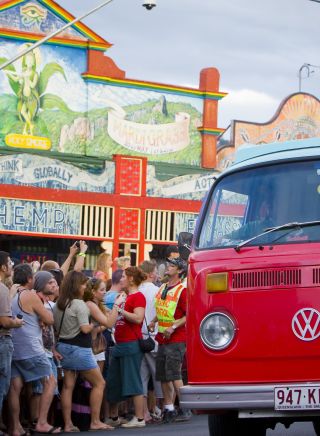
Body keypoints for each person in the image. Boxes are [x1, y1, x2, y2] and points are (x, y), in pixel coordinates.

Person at [53, 271, 113, 432]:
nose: (85, 287)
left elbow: (55, 328)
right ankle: (95, 421)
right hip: (79, 348)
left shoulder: (60, 302)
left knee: (68, 386)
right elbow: (85, 329)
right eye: (83, 284)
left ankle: (67, 424)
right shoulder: (79, 304)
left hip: (63, 346)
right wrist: (95, 325)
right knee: (99, 383)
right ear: (76, 286)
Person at [9, 263, 60, 435]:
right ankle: (42, 422)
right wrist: (43, 317)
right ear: (30, 279)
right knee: (50, 381)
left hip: (15, 348)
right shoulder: (30, 295)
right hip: (31, 347)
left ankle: (15, 426)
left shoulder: (13, 295)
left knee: (15, 388)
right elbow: (49, 318)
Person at [149, 257, 190, 423]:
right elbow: (162, 309)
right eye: (168, 265)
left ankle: (185, 408)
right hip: (163, 338)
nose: (168, 267)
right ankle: (169, 408)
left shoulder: (183, 290)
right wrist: (153, 322)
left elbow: (188, 315)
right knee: (164, 376)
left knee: (174, 374)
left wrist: (173, 327)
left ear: (179, 271)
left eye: (172, 266)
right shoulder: (163, 287)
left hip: (177, 338)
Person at [107, 267, 147, 429]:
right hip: (119, 343)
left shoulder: (138, 297)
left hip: (131, 344)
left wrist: (121, 310)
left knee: (133, 381)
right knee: (113, 382)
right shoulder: (124, 296)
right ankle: (114, 416)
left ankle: (139, 419)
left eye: (123, 276)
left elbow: (138, 318)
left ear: (130, 279)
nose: (120, 279)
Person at [0, 252, 24, 434]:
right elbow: (6, 321)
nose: (12, 265)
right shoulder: (1, 289)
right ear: (3, 267)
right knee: (2, 387)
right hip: (3, 340)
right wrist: (18, 322)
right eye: (9, 262)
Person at [83, 277, 125, 373]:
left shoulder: (99, 304)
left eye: (105, 289)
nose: (105, 292)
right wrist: (116, 304)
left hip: (97, 344)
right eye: (102, 290)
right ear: (93, 292)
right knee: (97, 383)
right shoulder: (90, 304)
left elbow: (112, 317)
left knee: (99, 380)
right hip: (90, 346)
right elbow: (110, 323)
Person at [138, 260, 162, 422]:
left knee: (142, 377)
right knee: (159, 376)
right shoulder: (158, 290)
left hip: (139, 337)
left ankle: (145, 412)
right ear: (151, 274)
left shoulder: (136, 291)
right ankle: (161, 407)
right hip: (154, 336)